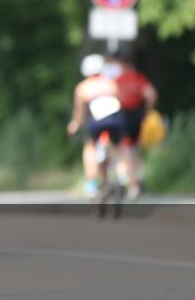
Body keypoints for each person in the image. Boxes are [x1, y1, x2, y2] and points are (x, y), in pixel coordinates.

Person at [67, 53, 124, 198]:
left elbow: (79, 113)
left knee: (90, 147)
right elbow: (120, 101)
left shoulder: (83, 87)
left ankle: (91, 183)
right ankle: (122, 175)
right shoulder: (111, 83)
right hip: (116, 119)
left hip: (97, 121)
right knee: (118, 147)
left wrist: (75, 125)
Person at [107, 49, 158, 200]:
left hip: (122, 115)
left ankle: (130, 183)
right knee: (134, 148)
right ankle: (137, 177)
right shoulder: (138, 78)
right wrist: (147, 111)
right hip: (137, 115)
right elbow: (151, 95)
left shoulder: (116, 79)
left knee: (123, 149)